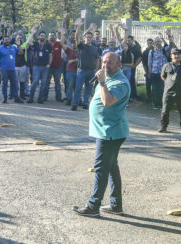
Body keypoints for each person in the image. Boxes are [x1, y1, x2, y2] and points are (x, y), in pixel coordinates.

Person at [72, 52, 130, 217]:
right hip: (106, 130)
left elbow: (108, 101)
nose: (106, 65)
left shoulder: (121, 82)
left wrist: (102, 82)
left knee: (100, 168)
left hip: (110, 132)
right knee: (111, 167)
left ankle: (93, 206)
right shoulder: (108, 78)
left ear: (119, 65)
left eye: (110, 62)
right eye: (104, 62)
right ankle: (116, 205)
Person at [159, 48, 181, 135]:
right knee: (165, 110)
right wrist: (170, 83)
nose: (176, 56)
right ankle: (163, 127)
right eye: (174, 54)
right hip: (168, 92)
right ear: (171, 56)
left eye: (178, 54)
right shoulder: (166, 66)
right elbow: (163, 77)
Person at [72, 21, 101, 111]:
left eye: (90, 37)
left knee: (88, 89)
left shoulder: (94, 48)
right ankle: (75, 104)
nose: (88, 38)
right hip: (82, 70)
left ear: (92, 39)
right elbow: (76, 36)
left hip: (91, 71)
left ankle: (86, 103)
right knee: (78, 88)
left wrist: (96, 69)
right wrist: (79, 26)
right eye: (87, 37)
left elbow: (97, 59)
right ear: (84, 38)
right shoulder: (81, 46)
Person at [0, 35, 22, 103]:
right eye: (5, 40)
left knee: (15, 84)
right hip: (4, 69)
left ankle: (16, 98)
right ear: (3, 41)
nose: (7, 41)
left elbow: (21, 53)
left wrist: (19, 45)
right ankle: (5, 98)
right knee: (4, 84)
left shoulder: (13, 47)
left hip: (12, 69)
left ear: (10, 40)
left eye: (8, 39)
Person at [28, 29, 52, 103]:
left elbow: (50, 55)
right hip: (36, 66)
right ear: (39, 36)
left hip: (45, 67)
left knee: (44, 83)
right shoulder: (36, 43)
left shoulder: (48, 45)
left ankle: (40, 98)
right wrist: (32, 33)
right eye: (41, 36)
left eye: (44, 36)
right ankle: (31, 98)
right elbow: (28, 42)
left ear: (45, 37)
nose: (42, 37)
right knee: (35, 82)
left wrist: (49, 64)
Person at [147, 37, 169, 109]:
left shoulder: (165, 50)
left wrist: (163, 38)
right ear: (154, 43)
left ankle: (163, 104)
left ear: (161, 42)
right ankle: (156, 104)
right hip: (154, 73)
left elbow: (171, 46)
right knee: (155, 89)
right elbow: (149, 63)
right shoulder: (152, 51)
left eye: (159, 41)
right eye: (156, 42)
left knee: (162, 89)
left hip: (163, 73)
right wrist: (150, 73)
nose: (157, 43)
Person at [47, 32, 64, 102]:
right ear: (48, 37)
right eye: (50, 36)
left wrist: (63, 33)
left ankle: (58, 97)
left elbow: (64, 41)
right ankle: (44, 96)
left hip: (57, 67)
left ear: (55, 36)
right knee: (46, 82)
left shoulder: (59, 44)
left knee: (57, 83)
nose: (51, 37)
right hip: (48, 67)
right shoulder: (46, 44)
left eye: (53, 35)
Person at [14, 35, 29, 100]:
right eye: (18, 38)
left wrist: (33, 32)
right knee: (15, 82)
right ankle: (15, 95)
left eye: (20, 38)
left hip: (23, 66)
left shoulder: (24, 45)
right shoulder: (13, 46)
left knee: (22, 82)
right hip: (15, 66)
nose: (19, 39)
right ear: (15, 39)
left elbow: (21, 52)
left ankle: (22, 95)